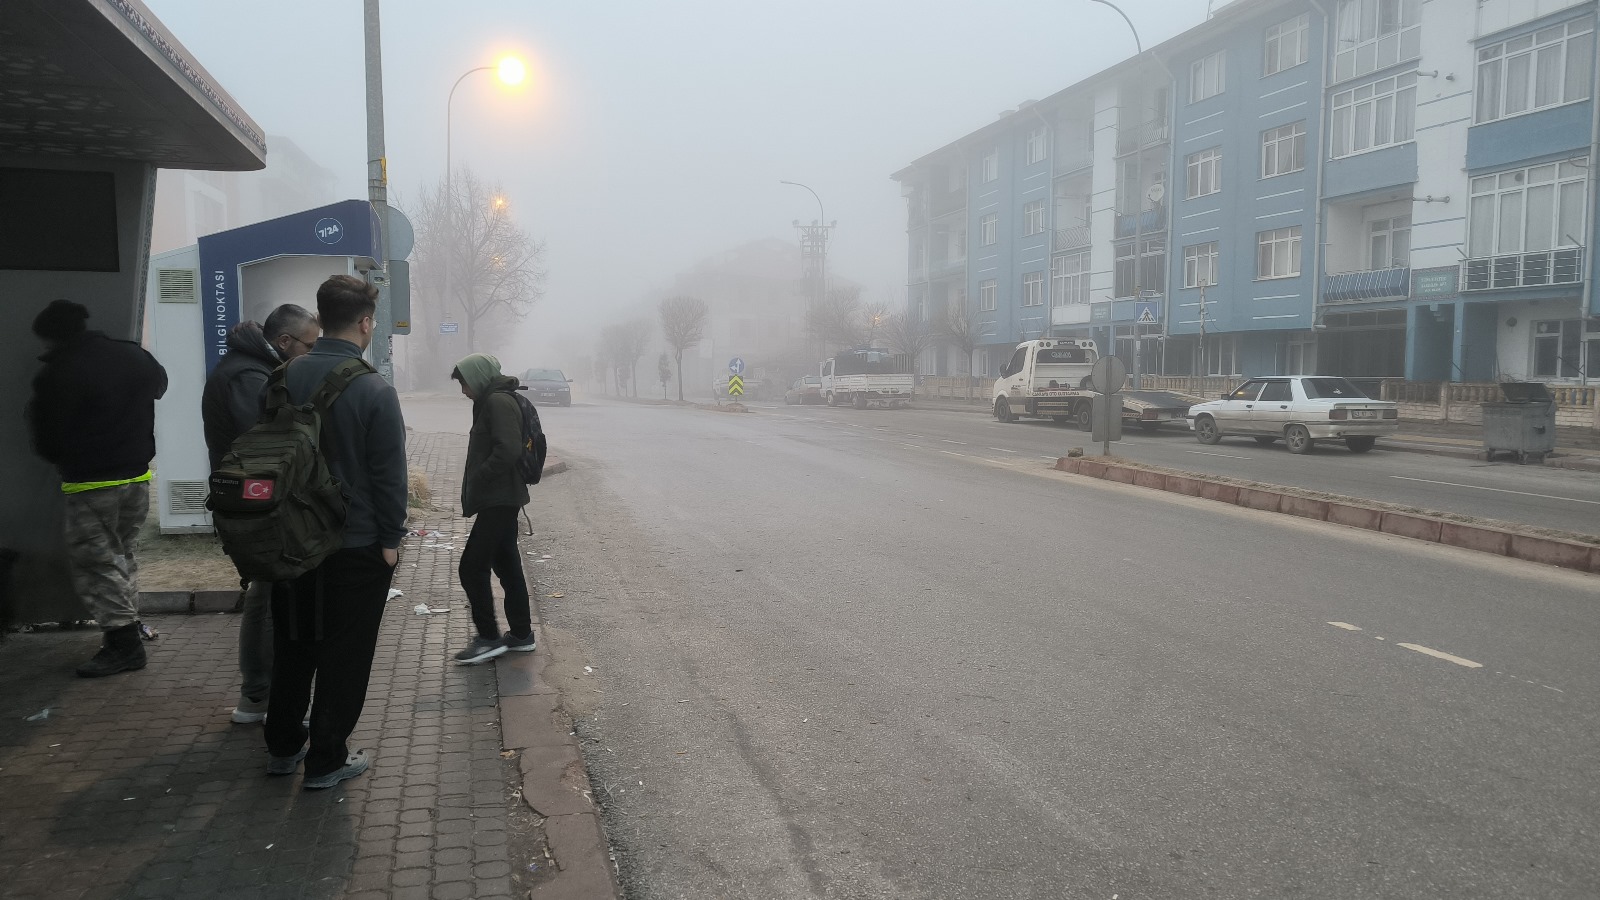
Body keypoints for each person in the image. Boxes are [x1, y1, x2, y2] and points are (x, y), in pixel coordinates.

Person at [263, 275, 407, 790]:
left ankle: (282, 748)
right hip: (354, 544)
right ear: (366, 323)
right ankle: (325, 761)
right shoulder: (372, 389)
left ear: (321, 320)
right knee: (344, 656)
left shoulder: (282, 377)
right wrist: (391, 542)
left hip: (288, 541)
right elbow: (390, 477)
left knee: (293, 644)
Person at [26, 299, 168, 677]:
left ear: (53, 337)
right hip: (136, 478)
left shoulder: (58, 373)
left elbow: (47, 439)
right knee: (122, 556)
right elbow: (160, 387)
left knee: (96, 565)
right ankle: (128, 625)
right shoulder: (134, 356)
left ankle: (125, 646)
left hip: (90, 484)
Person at [200, 305, 320, 724]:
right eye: (310, 344)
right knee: (268, 598)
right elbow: (264, 444)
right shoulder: (247, 377)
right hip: (257, 507)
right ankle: (260, 695)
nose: (312, 351)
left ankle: (259, 694)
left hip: (256, 502)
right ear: (285, 342)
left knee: (266, 595)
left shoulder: (249, 368)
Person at [448, 354, 535, 665]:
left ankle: (488, 639)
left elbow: (508, 449)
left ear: (480, 377)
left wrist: (479, 476)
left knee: (471, 568)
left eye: (465, 383)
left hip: (499, 498)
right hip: (500, 498)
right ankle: (522, 634)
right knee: (507, 565)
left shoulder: (497, 402)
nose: (463, 390)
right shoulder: (492, 400)